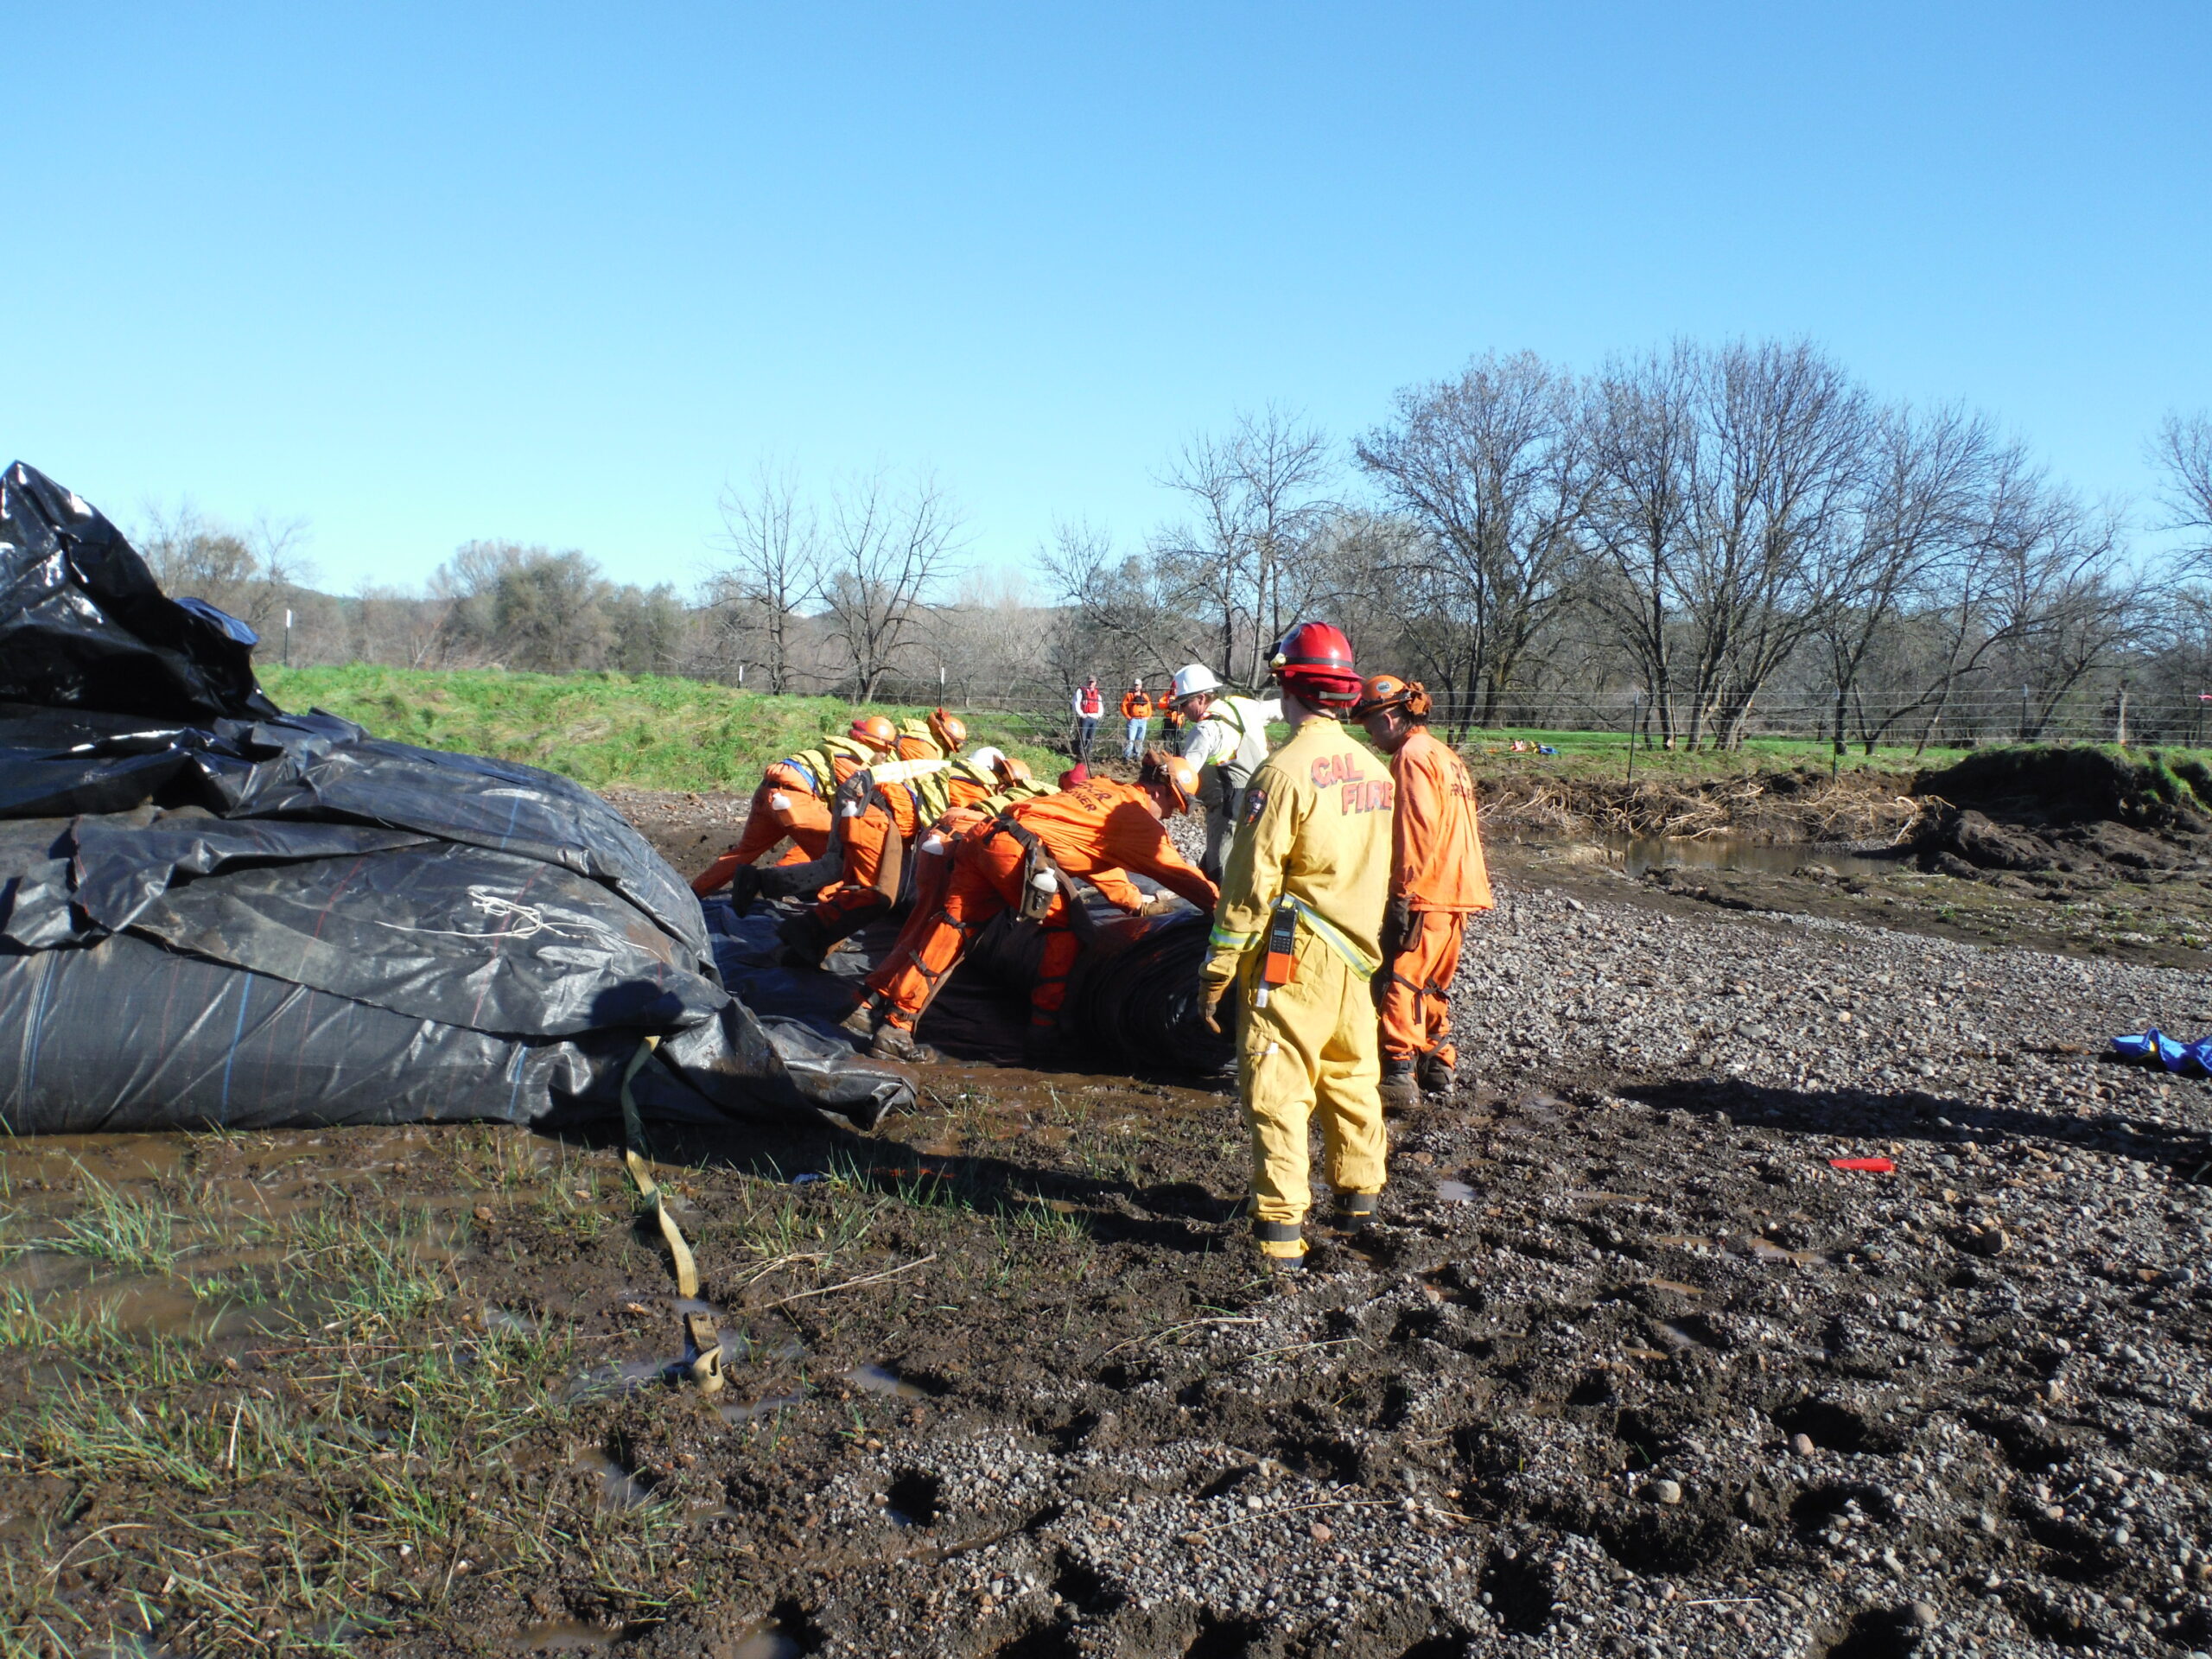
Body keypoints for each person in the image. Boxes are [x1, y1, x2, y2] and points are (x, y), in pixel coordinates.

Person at [1198, 622, 1390, 1272]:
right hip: (1356, 958)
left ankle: (1280, 1238)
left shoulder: (1280, 774)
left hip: (1293, 954)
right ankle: (1359, 1204)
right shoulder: (1375, 770)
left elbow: (1250, 886)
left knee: (1278, 1086)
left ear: (1290, 686)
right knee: (1352, 1078)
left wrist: (1217, 970)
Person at [850, 752, 1217, 1064]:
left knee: (951, 927)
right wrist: (1226, 909)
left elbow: (1099, 859)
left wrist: (1133, 903)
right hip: (1020, 854)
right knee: (1066, 933)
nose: (1169, 815)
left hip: (988, 834)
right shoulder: (1139, 823)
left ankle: (881, 1012)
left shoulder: (1105, 789)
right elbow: (1180, 875)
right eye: (1173, 806)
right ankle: (1045, 1033)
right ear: (1159, 790)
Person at [1357, 675, 1491, 1106]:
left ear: (1393, 716)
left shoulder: (1411, 757)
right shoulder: (1445, 754)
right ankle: (1438, 1065)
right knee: (1433, 983)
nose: (1369, 734)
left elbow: (1415, 830)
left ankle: (1398, 1077)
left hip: (1426, 890)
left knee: (1401, 980)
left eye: (1371, 723)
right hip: (1458, 889)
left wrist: (1400, 896)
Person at [690, 715, 899, 897]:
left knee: (744, 852)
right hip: (792, 797)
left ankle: (695, 893)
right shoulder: (854, 762)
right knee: (839, 857)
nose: (886, 758)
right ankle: (828, 909)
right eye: (886, 753)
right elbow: (863, 799)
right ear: (879, 746)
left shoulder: (836, 748)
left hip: (767, 792)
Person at [1163, 664, 1281, 881]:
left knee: (1221, 864)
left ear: (1200, 698)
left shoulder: (1203, 730)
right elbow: (1280, 708)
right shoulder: (1242, 705)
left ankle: (1220, 911)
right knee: (1250, 854)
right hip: (1263, 793)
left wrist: (1166, 777)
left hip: (1228, 804)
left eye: (1185, 703)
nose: (1182, 711)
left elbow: (1186, 777)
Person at [1071, 676, 1105, 766]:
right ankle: (1081, 757)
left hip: (1094, 718)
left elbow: (1100, 705)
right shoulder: (1081, 692)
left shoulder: (1098, 694)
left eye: (1093, 682)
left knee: (1091, 738)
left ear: (1095, 683)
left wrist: (1099, 715)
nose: (1091, 684)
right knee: (1083, 737)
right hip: (1085, 717)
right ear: (1087, 682)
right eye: (1090, 682)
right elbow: (1076, 703)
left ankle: (1088, 755)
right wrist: (1081, 714)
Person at [1119, 679, 1154, 761]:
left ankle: (1137, 756)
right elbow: (1123, 706)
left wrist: (1148, 717)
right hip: (1133, 720)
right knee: (1131, 739)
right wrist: (1128, 716)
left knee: (1139, 739)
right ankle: (1126, 756)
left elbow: (1149, 708)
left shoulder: (1145, 696)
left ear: (1141, 686)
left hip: (1143, 721)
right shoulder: (1129, 695)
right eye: (1135, 685)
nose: (1136, 686)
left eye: (1138, 685)